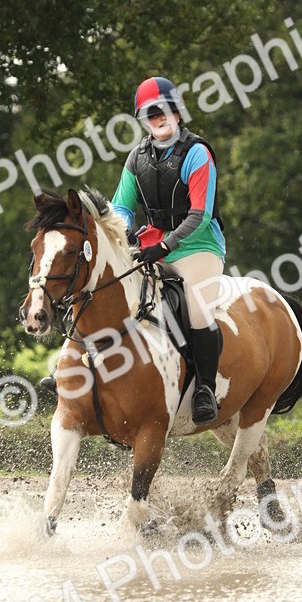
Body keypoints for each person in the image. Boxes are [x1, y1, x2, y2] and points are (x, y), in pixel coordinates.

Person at [111, 76, 226, 425]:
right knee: (110, 290)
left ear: (177, 111)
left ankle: (205, 390)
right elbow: (121, 207)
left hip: (198, 245)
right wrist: (127, 235)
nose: (159, 118)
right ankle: (79, 369)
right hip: (151, 243)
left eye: (164, 110)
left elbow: (201, 214)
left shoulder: (197, 153)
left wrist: (166, 245)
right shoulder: (137, 158)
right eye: (150, 114)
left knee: (197, 307)